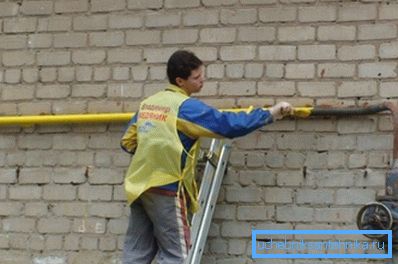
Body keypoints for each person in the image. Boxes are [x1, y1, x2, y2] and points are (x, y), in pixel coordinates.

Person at [120, 50, 293, 264]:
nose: (202, 80)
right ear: (180, 81)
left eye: (202, 74)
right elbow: (226, 125)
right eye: (196, 77)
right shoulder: (185, 108)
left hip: (139, 186)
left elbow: (128, 142)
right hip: (166, 186)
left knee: (136, 254)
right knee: (176, 255)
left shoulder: (149, 103)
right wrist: (270, 114)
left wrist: (154, 150)